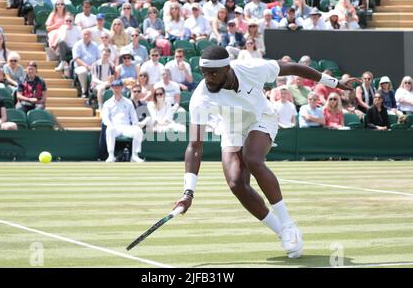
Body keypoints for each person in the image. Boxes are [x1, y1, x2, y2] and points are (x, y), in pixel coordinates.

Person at [171, 45, 355, 259]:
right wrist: (188, 192)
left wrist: (334, 83)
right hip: (232, 129)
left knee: (252, 158)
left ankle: (287, 222)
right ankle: (284, 232)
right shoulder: (200, 98)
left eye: (214, 73)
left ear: (227, 69)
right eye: (204, 74)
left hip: (261, 119)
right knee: (236, 184)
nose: (209, 79)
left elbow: (294, 67)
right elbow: (195, 146)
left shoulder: (252, 68)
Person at [101, 79, 144, 163]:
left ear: (122, 88)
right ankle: (111, 155)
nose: (117, 90)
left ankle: (135, 155)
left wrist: (135, 125)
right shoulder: (107, 103)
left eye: (119, 87)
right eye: (115, 87)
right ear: (112, 88)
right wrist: (110, 124)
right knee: (109, 129)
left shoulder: (128, 102)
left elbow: (133, 117)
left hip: (126, 127)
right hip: (114, 127)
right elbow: (105, 118)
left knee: (138, 131)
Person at [72, 29, 100, 98]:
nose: (87, 36)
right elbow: (76, 59)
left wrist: (93, 65)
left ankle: (95, 92)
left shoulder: (95, 45)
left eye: (88, 34)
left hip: (93, 66)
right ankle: (84, 91)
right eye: (85, 34)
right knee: (83, 72)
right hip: (81, 66)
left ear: (91, 36)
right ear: (82, 35)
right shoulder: (77, 44)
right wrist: (87, 66)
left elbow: (99, 58)